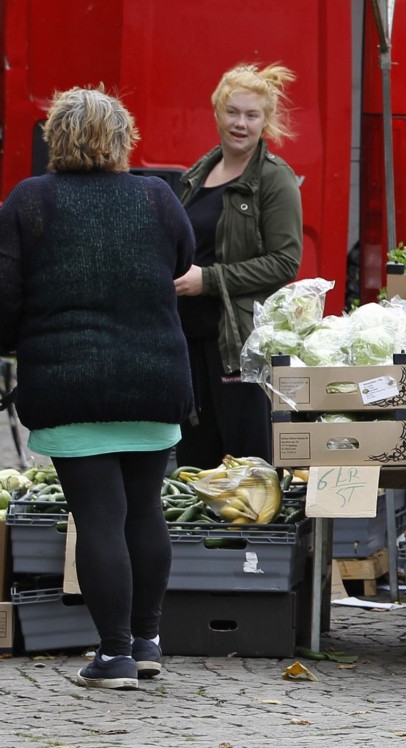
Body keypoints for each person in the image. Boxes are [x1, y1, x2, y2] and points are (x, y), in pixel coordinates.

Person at [0, 87, 195, 689]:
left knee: (99, 520)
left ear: (55, 138)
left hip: (68, 383)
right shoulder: (156, 196)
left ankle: (114, 656)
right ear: (122, 138)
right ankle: (148, 639)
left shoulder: (30, 201)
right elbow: (183, 259)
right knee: (146, 512)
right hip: (153, 378)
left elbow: (5, 297)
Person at [175, 62, 303, 468]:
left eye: (252, 115)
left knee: (247, 462)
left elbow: (286, 262)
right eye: (233, 112)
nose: (240, 123)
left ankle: (254, 535)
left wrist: (208, 280)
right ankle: (199, 535)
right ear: (217, 112)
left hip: (238, 343)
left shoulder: (273, 178)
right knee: (195, 461)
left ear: (266, 121)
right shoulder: (199, 173)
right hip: (188, 337)